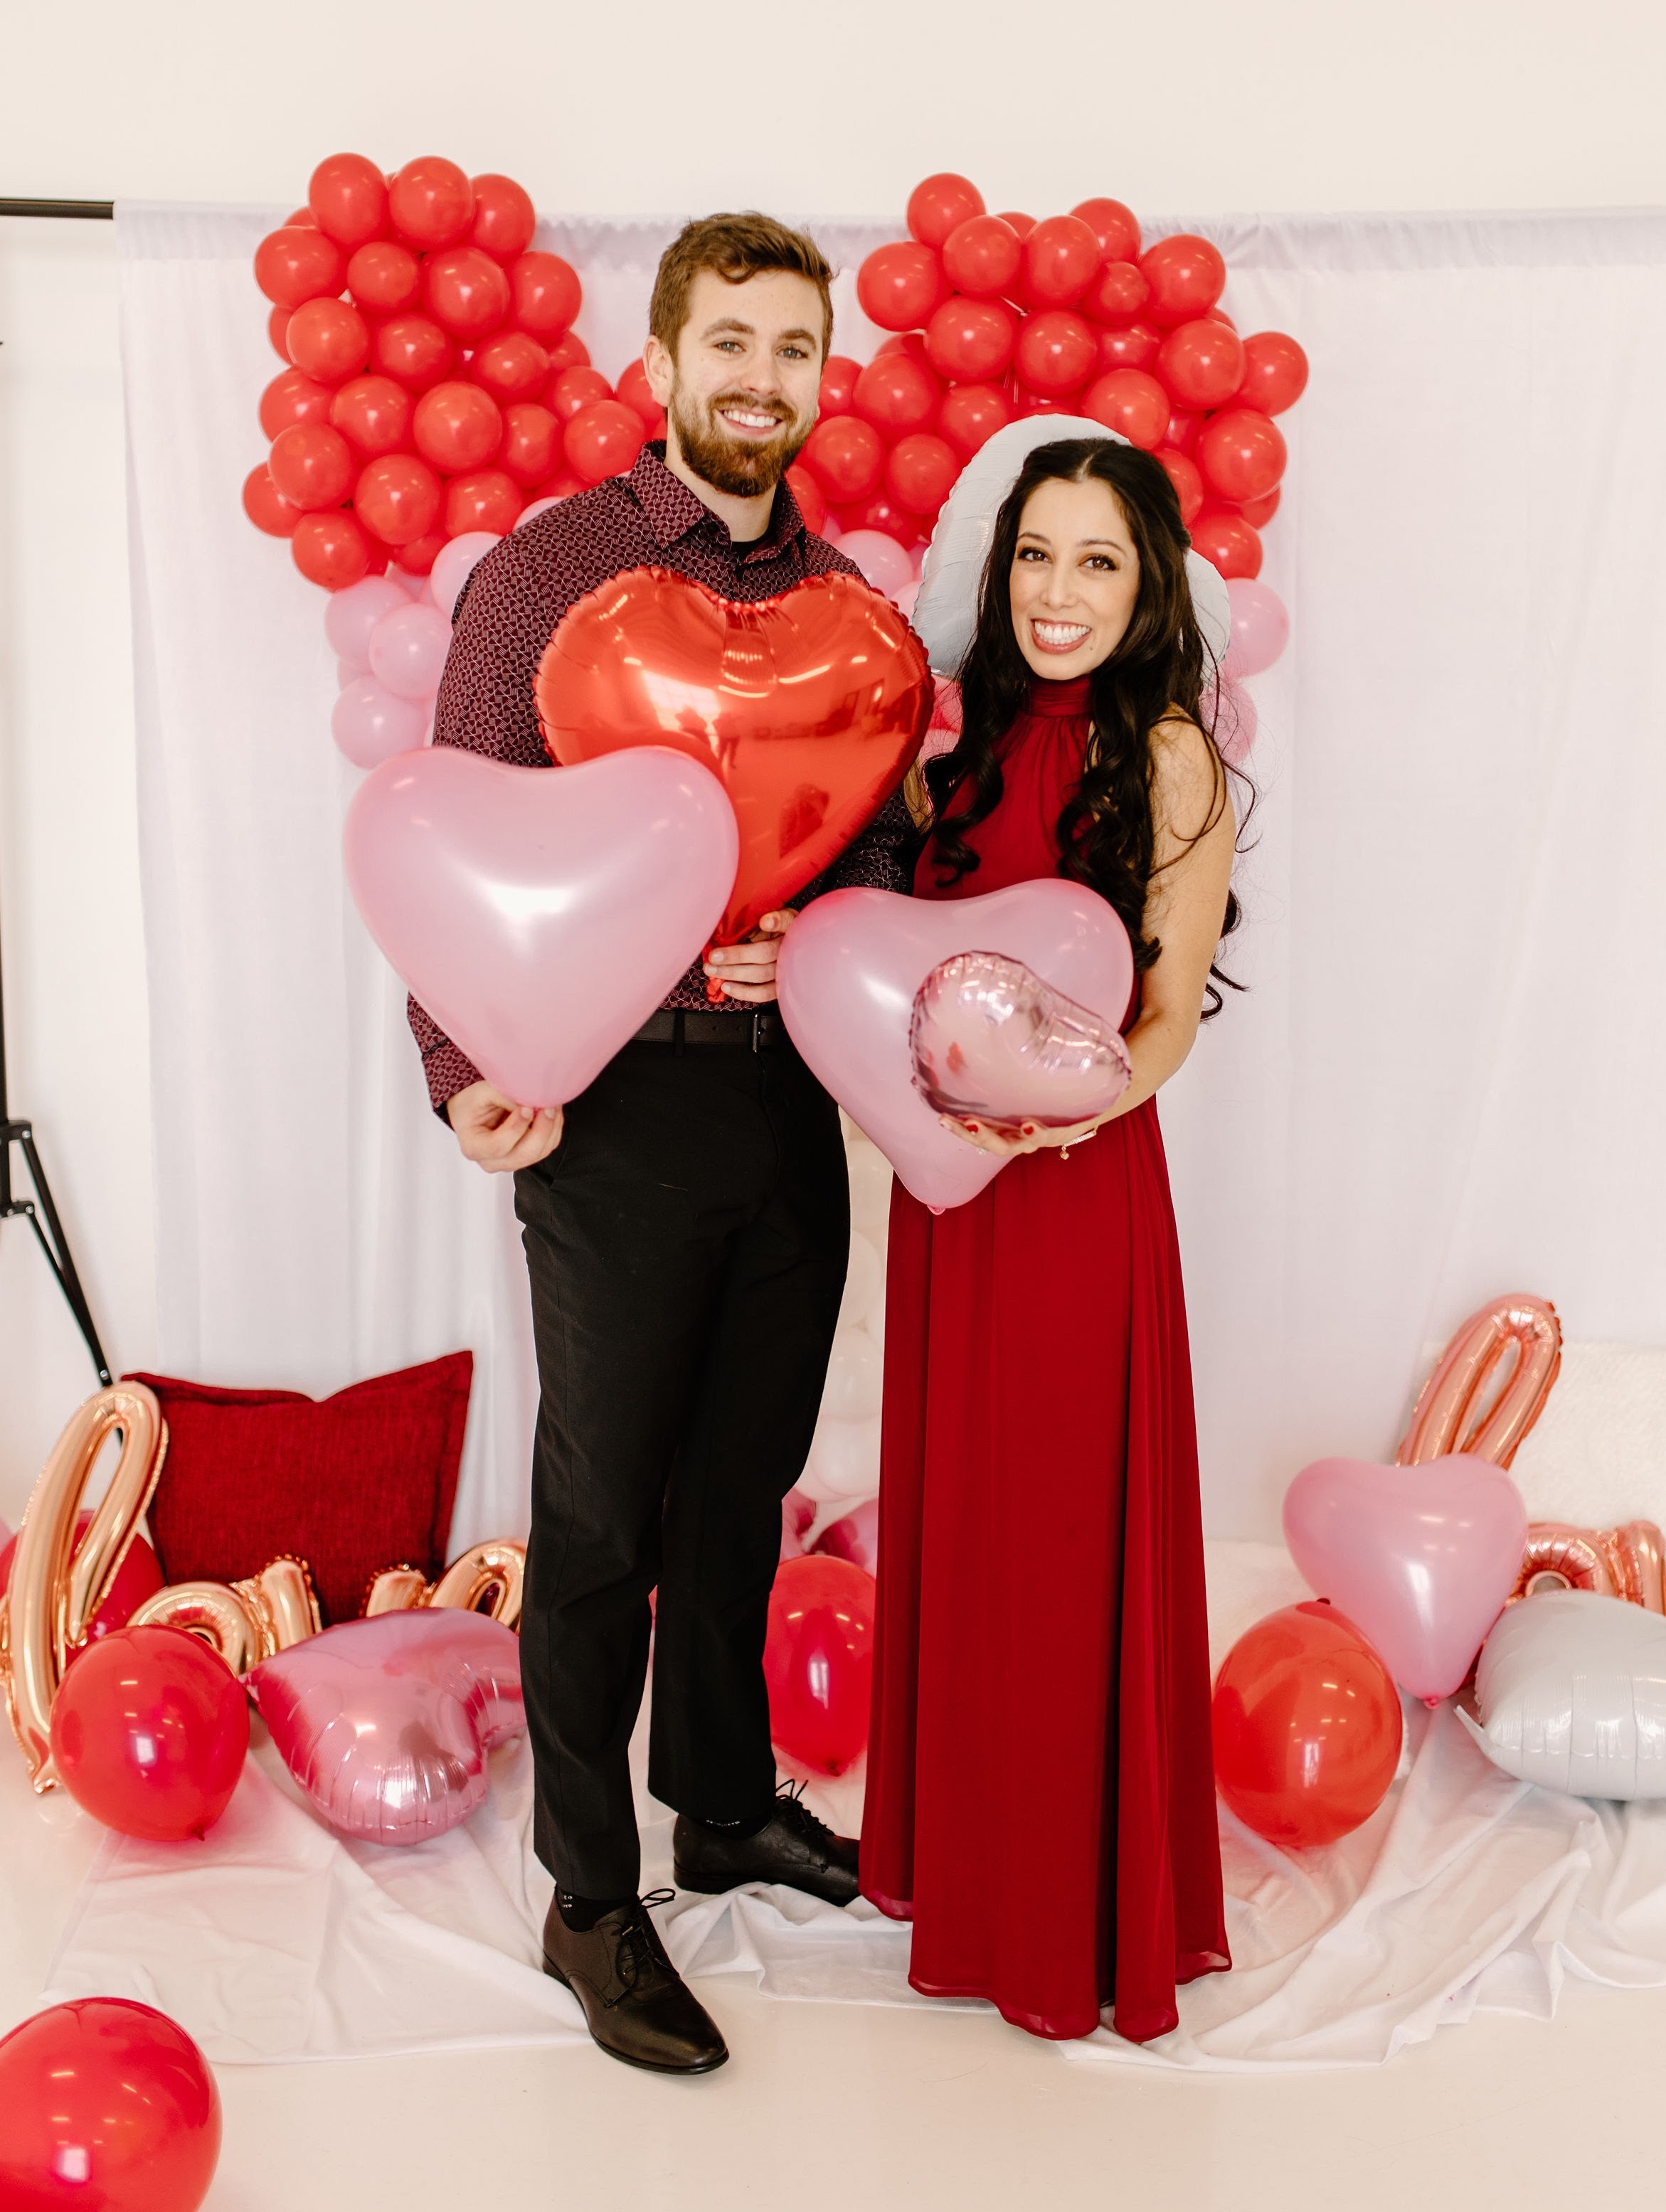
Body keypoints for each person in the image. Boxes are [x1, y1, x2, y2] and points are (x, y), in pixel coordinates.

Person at [411, 213, 913, 2075]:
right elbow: (450, 824)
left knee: (740, 1485)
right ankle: (586, 1892)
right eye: (732, 344)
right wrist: (466, 1059)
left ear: (814, 375)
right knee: (602, 1509)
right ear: (667, 357)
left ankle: (715, 1799)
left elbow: (872, 843)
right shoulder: (552, 568)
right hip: (611, 1102)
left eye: (794, 349)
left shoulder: (843, 599)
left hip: (784, 1094)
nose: (760, 380)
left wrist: (838, 927)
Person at [861, 437, 1237, 2044]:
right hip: (945, 1197)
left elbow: (1163, 1020)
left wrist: (1059, 1112)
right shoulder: (953, 741)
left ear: (1146, 583)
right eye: (1035, 557)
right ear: (993, 571)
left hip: (1075, 1186)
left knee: (1066, 1522)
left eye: (1097, 562)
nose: (1060, 594)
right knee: (965, 1513)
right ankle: (967, 1868)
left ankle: (1074, 1909)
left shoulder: (1167, 756)